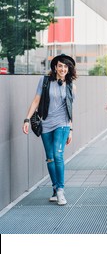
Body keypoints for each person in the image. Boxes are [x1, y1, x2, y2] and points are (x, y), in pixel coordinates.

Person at [23, 54, 77, 206]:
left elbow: (71, 109)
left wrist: (71, 129)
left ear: (69, 69)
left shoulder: (71, 85)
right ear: (55, 67)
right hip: (46, 123)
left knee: (57, 154)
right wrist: (27, 119)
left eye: (66, 66)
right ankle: (54, 188)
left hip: (63, 123)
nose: (63, 69)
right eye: (60, 66)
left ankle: (60, 190)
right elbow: (36, 100)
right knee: (49, 157)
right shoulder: (45, 81)